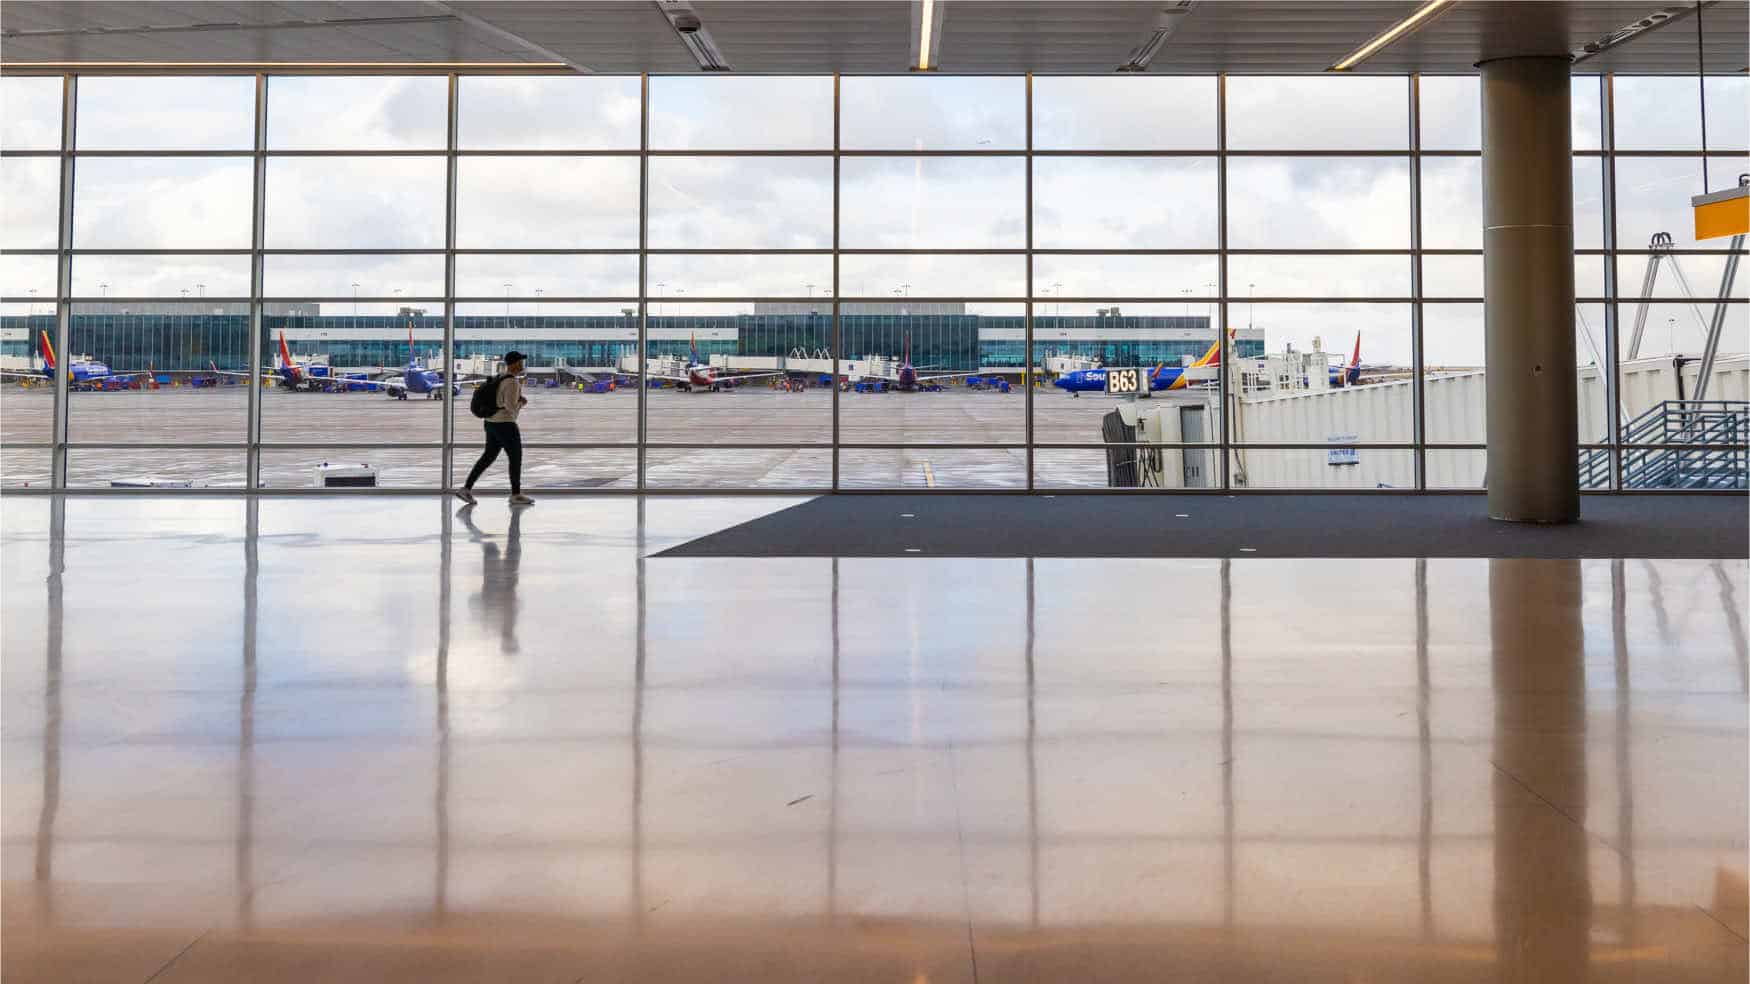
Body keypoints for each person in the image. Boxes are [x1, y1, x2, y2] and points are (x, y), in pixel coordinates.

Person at [456, 351, 533, 506]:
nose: (522, 365)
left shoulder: (499, 377)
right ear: (514, 364)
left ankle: (466, 488)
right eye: (520, 362)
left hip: (490, 423)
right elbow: (511, 408)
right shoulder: (512, 382)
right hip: (505, 424)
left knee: (488, 457)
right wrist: (522, 403)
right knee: (515, 458)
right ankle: (516, 494)